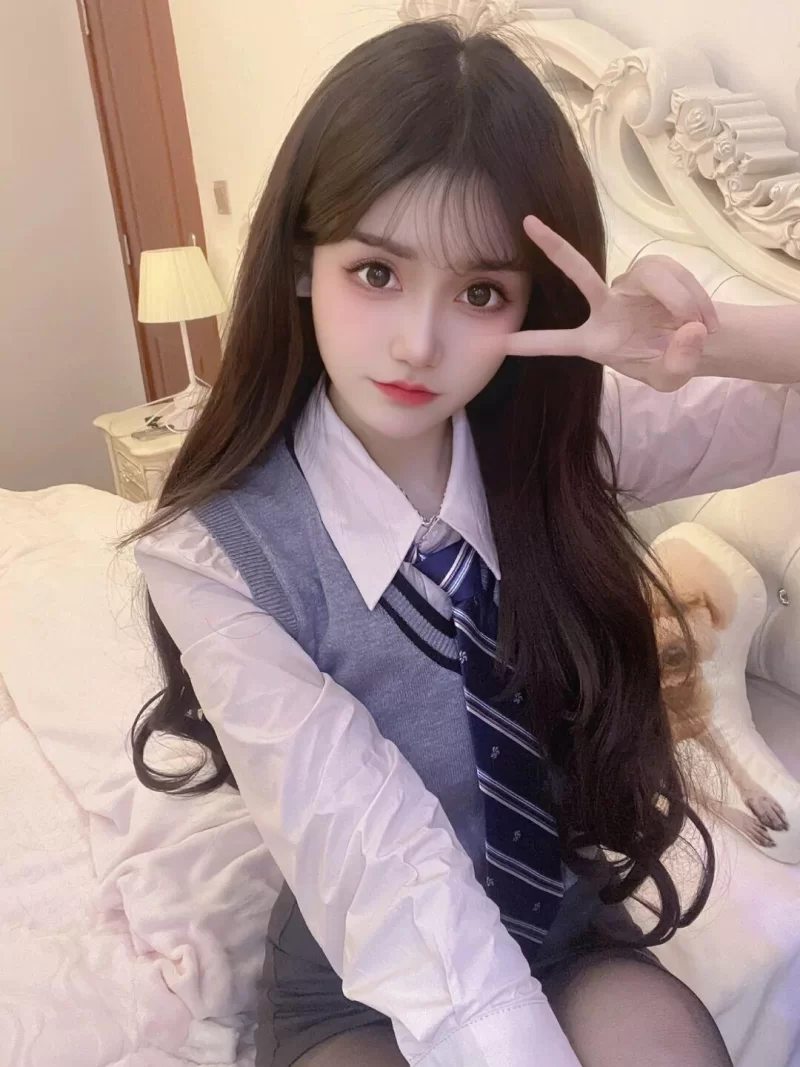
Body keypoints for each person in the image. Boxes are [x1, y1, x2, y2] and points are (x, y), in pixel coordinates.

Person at [129, 18, 800, 1067]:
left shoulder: (558, 439)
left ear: (531, 303)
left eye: (480, 292)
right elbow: (381, 867)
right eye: (376, 273)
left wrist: (702, 342)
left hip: (562, 924)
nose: (418, 343)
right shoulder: (214, 555)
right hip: (365, 961)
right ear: (303, 261)